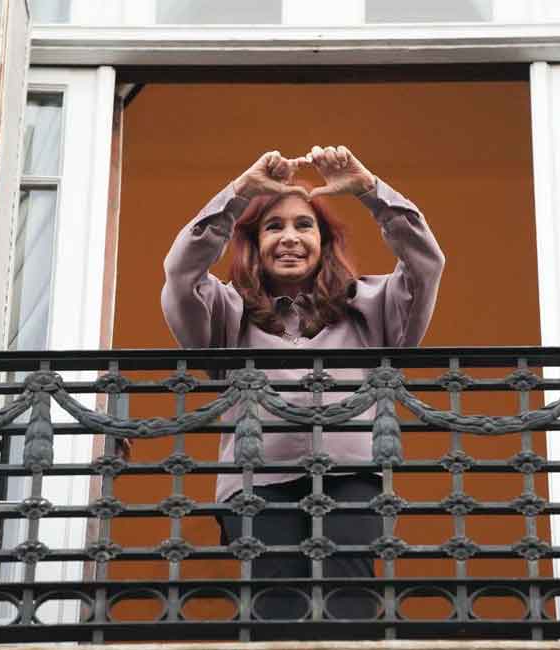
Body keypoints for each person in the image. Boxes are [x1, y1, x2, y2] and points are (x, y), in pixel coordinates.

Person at [161, 145, 445, 622]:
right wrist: (239, 194)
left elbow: (426, 264)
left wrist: (371, 191)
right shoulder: (226, 312)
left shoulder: (371, 305)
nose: (289, 238)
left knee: (349, 607)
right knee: (277, 611)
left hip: (352, 479)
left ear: (323, 241)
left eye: (303, 225)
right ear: (254, 243)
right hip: (256, 482)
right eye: (274, 226)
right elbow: (180, 271)